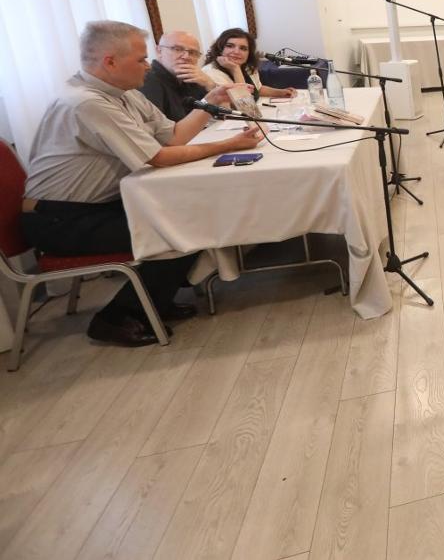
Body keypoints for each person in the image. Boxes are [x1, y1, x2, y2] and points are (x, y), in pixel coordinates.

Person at [21, 21, 264, 346]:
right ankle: (116, 318)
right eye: (141, 59)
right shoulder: (87, 102)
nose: (148, 66)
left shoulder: (124, 94)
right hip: (59, 220)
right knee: (179, 226)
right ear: (110, 62)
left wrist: (211, 101)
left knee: (187, 213)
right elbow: (158, 157)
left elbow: (174, 135)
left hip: (91, 208)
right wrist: (228, 145)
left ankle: (153, 301)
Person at [140, 30, 215, 121]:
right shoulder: (147, 80)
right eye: (177, 49)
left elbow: (219, 114)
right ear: (159, 51)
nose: (186, 56)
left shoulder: (194, 78)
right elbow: (157, 127)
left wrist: (210, 85)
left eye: (192, 52)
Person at [202, 28, 296, 99]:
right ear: (220, 49)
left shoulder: (247, 66)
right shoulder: (211, 72)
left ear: (249, 53)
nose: (236, 52)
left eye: (243, 48)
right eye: (230, 46)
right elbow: (244, 103)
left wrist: (281, 92)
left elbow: (258, 89)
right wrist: (235, 70)